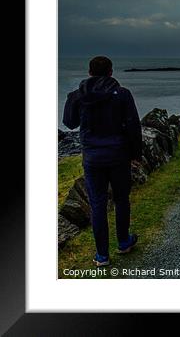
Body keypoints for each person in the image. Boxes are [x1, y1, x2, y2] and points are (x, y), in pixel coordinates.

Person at [62, 56, 142, 267]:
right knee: (121, 199)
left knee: (97, 204)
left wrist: (72, 100)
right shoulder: (123, 94)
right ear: (111, 72)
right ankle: (124, 242)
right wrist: (136, 154)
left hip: (93, 157)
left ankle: (102, 255)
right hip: (118, 155)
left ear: (89, 72)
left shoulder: (79, 95)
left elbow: (69, 123)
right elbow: (134, 126)